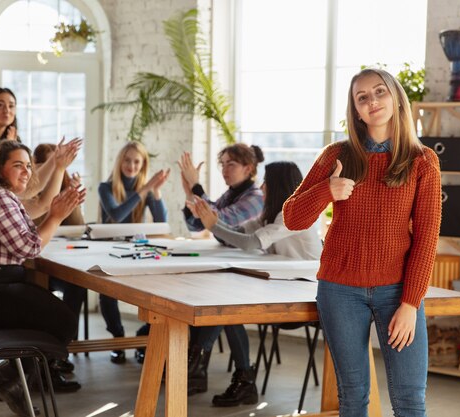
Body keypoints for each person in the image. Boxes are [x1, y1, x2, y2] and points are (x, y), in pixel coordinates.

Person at [283, 68, 442, 417]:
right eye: (362, 97)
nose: (372, 101)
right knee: (353, 398)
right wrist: (327, 191)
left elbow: (427, 239)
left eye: (380, 92)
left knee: (410, 400)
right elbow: (292, 217)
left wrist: (410, 304)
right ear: (355, 111)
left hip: (397, 292)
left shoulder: (422, 162)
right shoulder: (335, 156)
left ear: (396, 97)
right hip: (340, 290)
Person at [0, 140, 86, 416]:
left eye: (28, 165)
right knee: (64, 322)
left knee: (53, 315)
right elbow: (29, 247)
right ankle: (4, 378)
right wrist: (56, 218)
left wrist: (57, 180)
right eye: (17, 165)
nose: (25, 171)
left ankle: (2, 378)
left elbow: (39, 209)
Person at [186, 161, 321, 406]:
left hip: (307, 295)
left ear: (278, 185)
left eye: (266, 181)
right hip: (282, 286)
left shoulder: (296, 214)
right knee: (227, 302)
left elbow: (250, 244)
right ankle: (225, 373)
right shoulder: (271, 214)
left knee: (228, 303)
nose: (262, 186)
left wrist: (213, 224)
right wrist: (210, 220)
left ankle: (197, 359)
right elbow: (236, 236)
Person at [178, 143, 265, 397]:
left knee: (221, 304)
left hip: (255, 275)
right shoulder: (231, 194)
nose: (225, 170)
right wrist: (191, 194)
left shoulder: (254, 198)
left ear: (248, 168)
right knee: (209, 299)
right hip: (233, 268)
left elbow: (219, 221)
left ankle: (195, 364)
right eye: (223, 164)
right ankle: (198, 366)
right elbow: (198, 225)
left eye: (231, 164)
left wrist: (197, 189)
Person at [98, 141, 170, 364]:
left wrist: (155, 192)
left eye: (136, 161)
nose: (131, 165)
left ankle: (144, 337)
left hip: (137, 249)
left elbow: (162, 223)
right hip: (109, 249)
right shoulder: (106, 187)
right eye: (127, 160)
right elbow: (117, 216)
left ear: (143, 164)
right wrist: (144, 190)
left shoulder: (145, 189)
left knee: (157, 289)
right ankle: (118, 339)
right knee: (107, 292)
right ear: (120, 161)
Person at [33, 143, 86, 374]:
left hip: (62, 260)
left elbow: (77, 227)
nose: (57, 168)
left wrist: (70, 197)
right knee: (39, 289)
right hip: (38, 265)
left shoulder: (64, 187)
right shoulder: (31, 193)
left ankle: (61, 347)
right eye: (51, 163)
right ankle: (45, 353)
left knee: (77, 286)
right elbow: (34, 229)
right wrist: (52, 209)